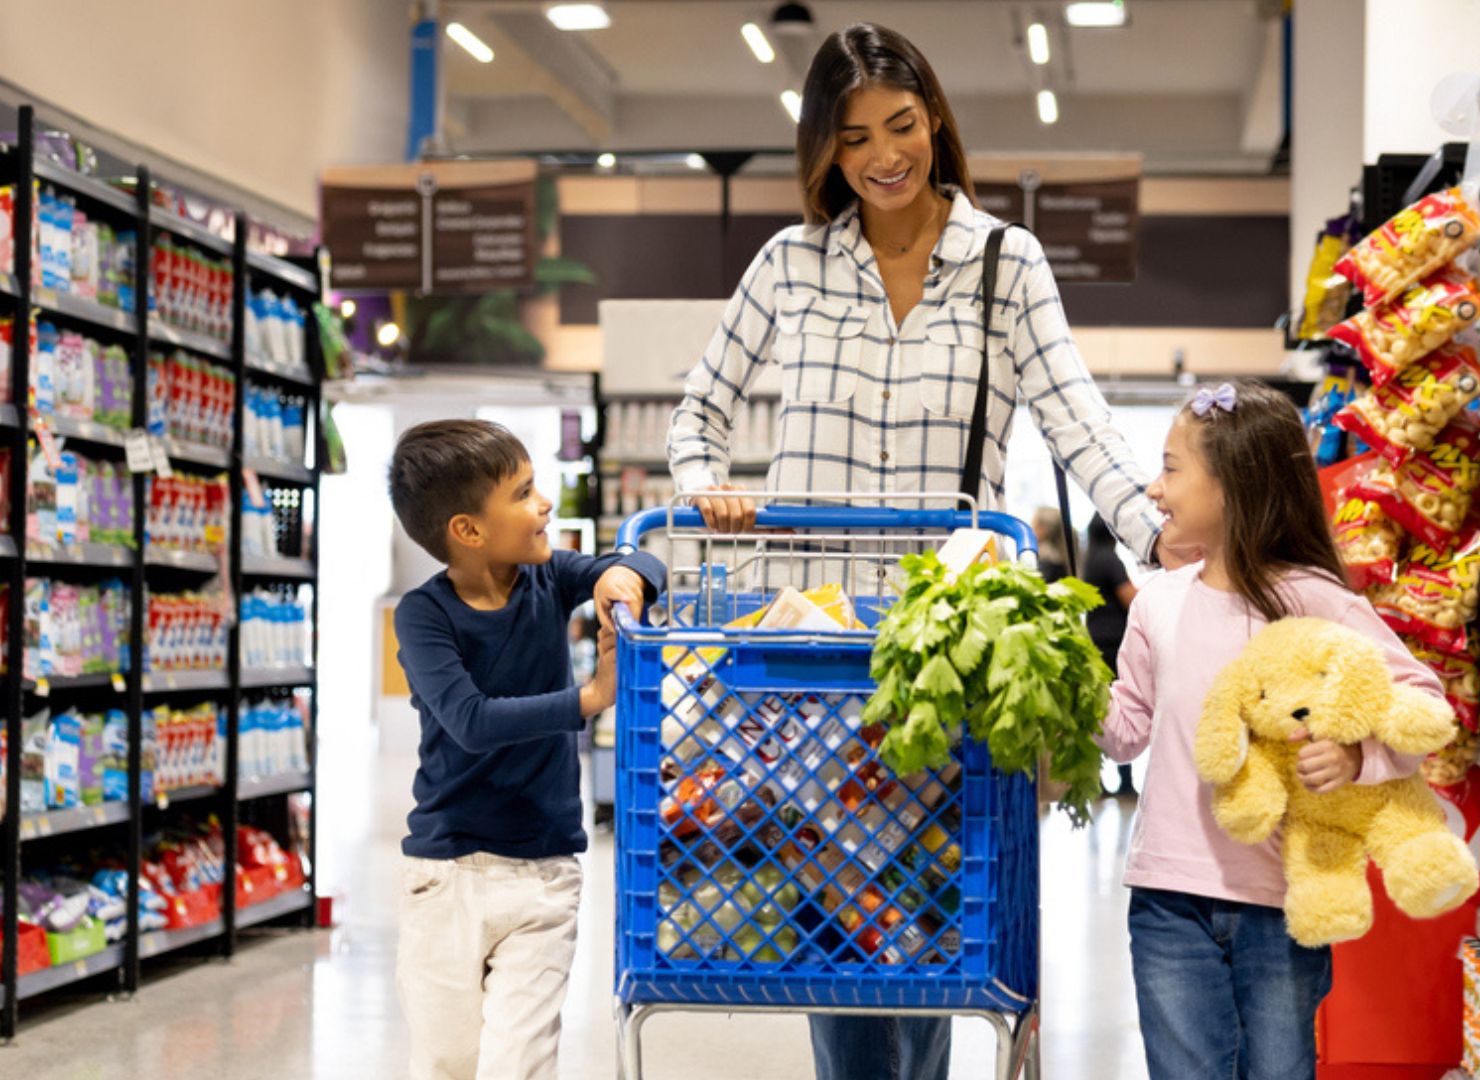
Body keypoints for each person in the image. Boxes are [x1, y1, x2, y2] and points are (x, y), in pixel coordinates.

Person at [667, 23, 1191, 1080]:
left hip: (949, 650)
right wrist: (705, 489)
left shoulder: (1006, 262)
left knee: (933, 926)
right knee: (837, 932)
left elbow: (1076, 422)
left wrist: (1175, 546)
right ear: (825, 149)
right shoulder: (791, 264)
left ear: (937, 120)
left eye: (901, 125)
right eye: (853, 137)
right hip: (812, 652)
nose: (883, 155)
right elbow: (698, 418)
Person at [1097, 382, 1449, 1080]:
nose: (1154, 487)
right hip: (1167, 897)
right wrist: (1068, 689)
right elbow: (1127, 731)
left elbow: (1421, 701)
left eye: (1171, 468)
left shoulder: (1315, 599)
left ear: (1232, 485)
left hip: (1280, 899)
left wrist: (1357, 756)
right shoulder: (1158, 603)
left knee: (1281, 1070)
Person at [387, 420, 664, 1080]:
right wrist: (590, 697)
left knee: (518, 1065)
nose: (544, 504)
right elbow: (471, 721)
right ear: (468, 531)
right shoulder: (424, 615)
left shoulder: (549, 577)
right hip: (446, 877)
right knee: (448, 1065)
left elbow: (645, 563)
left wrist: (623, 576)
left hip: (544, 876)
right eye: (524, 491)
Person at [1080, 517, 1139, 796]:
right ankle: (1125, 782)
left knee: (1102, 712)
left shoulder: (1091, 559)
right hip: (1113, 644)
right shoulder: (1108, 559)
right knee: (1120, 712)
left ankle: (1101, 783)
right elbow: (1130, 598)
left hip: (1096, 641)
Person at [1032, 506, 1068, 583]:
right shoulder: (1061, 559)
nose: (1031, 530)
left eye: (1033, 525)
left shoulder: (1046, 564)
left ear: (1043, 530)